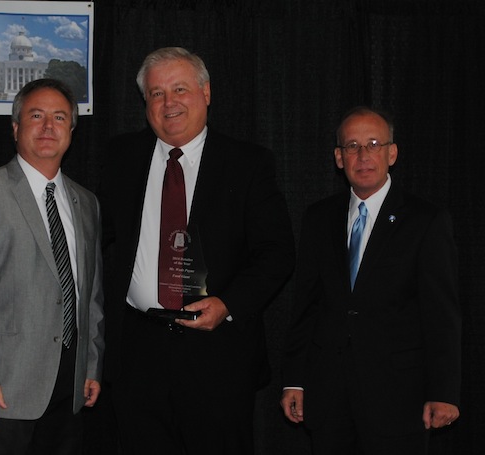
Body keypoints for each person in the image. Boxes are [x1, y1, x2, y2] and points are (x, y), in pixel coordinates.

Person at [99, 47, 295, 455]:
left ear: (206, 93)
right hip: (138, 353)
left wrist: (228, 304)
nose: (169, 103)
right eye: (156, 93)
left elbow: (277, 253)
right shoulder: (120, 157)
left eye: (180, 89)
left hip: (218, 356)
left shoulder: (248, 163)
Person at [280, 106, 461, 454]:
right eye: (352, 146)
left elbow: (442, 315)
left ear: (392, 153)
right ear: (338, 157)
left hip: (399, 398)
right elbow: (306, 306)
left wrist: (444, 392)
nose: (363, 155)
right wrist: (295, 380)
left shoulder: (426, 221)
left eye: (374, 144)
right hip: (329, 395)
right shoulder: (318, 218)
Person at [0, 78, 105, 454]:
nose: (48, 127)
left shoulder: (87, 202)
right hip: (1, 390)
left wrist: (91, 365)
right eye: (37, 115)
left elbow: (91, 295)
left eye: (60, 117)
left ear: (71, 131)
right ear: (16, 128)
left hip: (70, 387)